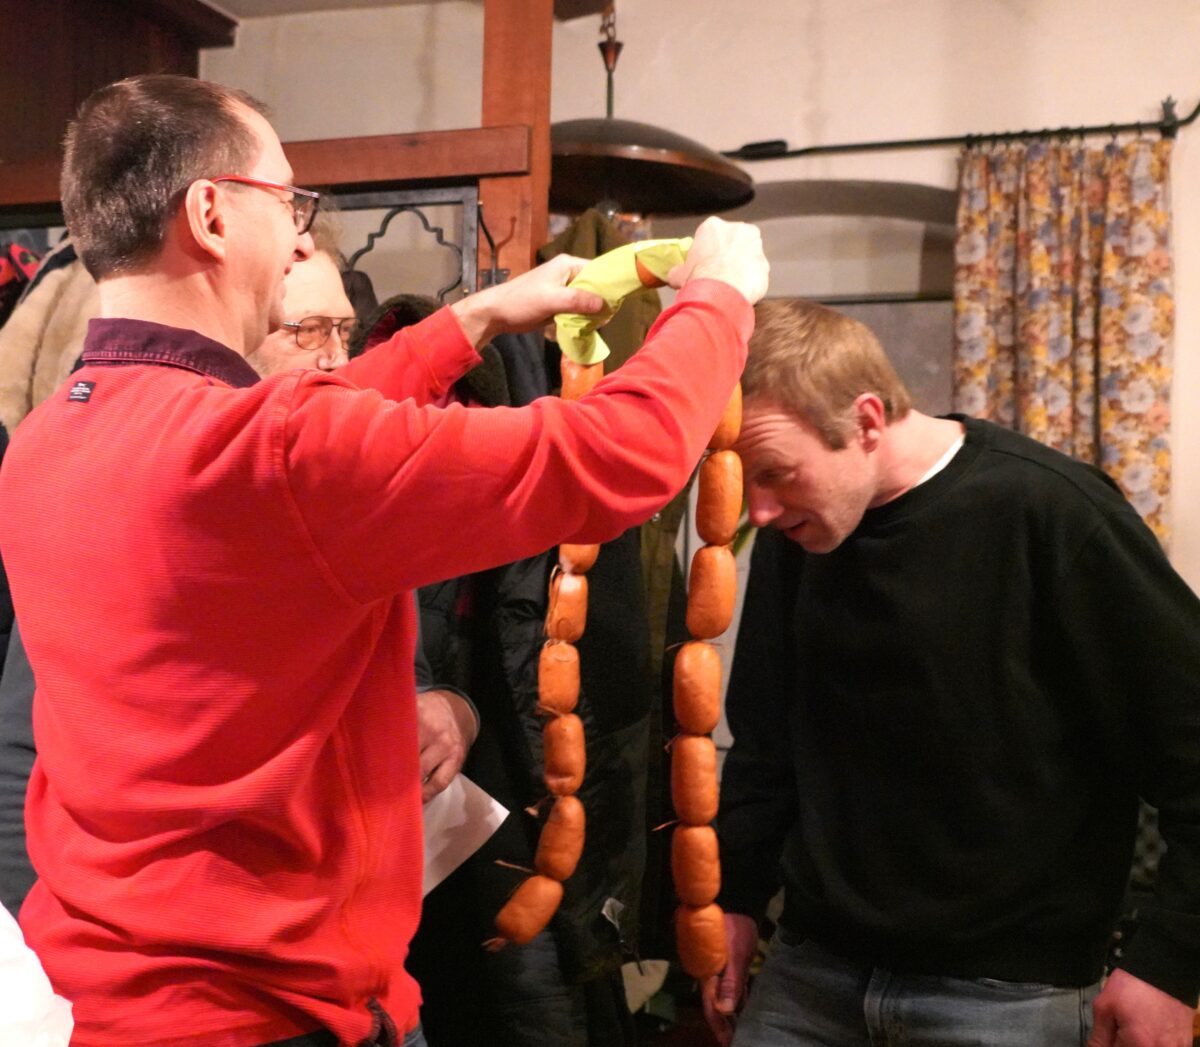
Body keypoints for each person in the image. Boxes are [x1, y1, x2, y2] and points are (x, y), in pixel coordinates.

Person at [0, 72, 767, 1047]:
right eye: (289, 202)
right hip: (265, 1016)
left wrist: (473, 322)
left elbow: (298, 449)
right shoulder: (276, 454)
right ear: (211, 214)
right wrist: (717, 298)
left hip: (101, 996)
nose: (302, 238)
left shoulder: (54, 435)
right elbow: (622, 455)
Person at [704, 299, 1199, 1047]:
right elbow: (767, 740)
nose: (760, 511)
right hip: (812, 973)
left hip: (1010, 994)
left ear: (867, 421)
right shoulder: (800, 530)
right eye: (746, 481)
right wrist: (736, 897)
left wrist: (1169, 963)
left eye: (776, 474)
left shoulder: (1053, 512)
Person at [0, 244, 478, 916]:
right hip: (176, 940)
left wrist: (453, 711)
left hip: (345, 924)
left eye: (344, 331)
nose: (335, 358)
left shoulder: (343, 496)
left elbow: (414, 675)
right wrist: (37, 941)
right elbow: (25, 750)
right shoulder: (140, 507)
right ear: (235, 338)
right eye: (307, 331)